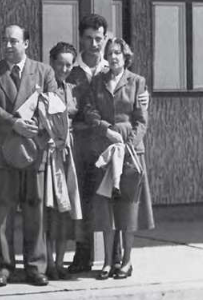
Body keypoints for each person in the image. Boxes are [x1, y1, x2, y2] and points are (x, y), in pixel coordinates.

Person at [66, 14, 149, 274]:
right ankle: (83, 254)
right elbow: (86, 109)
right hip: (84, 146)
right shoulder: (72, 70)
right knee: (88, 201)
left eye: (99, 39)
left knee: (119, 204)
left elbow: (139, 112)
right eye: (89, 38)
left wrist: (129, 143)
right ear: (81, 38)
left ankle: (118, 259)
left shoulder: (112, 70)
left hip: (117, 149)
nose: (94, 44)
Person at [0, 24, 57, 287]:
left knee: (34, 209)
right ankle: (3, 267)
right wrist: (14, 123)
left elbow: (53, 104)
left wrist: (35, 126)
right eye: (5, 41)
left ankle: (35, 267)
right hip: (1, 152)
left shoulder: (44, 71)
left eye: (15, 41)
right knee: (2, 211)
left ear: (27, 44)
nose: (9, 45)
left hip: (33, 151)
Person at [85, 37, 155, 280]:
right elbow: (89, 111)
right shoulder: (98, 81)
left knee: (128, 208)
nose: (114, 57)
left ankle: (126, 262)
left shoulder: (137, 82)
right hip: (106, 150)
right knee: (106, 207)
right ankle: (107, 262)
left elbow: (142, 120)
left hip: (131, 153)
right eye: (110, 53)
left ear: (126, 57)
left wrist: (129, 145)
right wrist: (105, 129)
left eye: (118, 53)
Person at [42, 42, 83, 280]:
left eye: (69, 64)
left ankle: (60, 262)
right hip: (48, 155)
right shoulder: (42, 89)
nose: (64, 68)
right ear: (52, 62)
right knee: (50, 210)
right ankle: (47, 262)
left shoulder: (73, 89)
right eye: (60, 63)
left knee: (64, 211)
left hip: (68, 155)